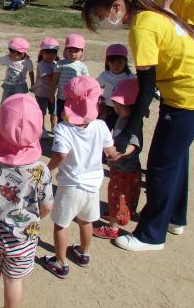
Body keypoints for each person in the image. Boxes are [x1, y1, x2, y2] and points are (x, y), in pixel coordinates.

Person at [82, 0, 194, 251]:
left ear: (116, 7)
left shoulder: (141, 28)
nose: (101, 20)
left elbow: (146, 87)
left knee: (159, 166)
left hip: (188, 98)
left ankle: (151, 235)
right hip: (191, 94)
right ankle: (174, 218)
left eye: (100, 14)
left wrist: (128, 134)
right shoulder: (150, 15)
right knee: (175, 160)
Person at [0, 94, 53, 308]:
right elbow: (47, 206)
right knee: (14, 280)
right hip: (24, 236)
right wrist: (36, 217)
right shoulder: (41, 170)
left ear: (0, 129)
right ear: (38, 131)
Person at [42, 76, 115, 279]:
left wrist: (47, 169)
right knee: (86, 221)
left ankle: (60, 262)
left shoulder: (63, 128)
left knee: (61, 224)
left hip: (70, 185)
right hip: (93, 185)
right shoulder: (101, 125)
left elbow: (61, 155)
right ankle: (84, 254)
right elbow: (110, 152)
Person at [93, 78, 143, 239]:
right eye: (115, 104)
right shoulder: (123, 117)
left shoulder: (132, 122)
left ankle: (112, 228)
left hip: (124, 168)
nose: (117, 107)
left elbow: (134, 144)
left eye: (121, 105)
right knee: (126, 195)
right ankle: (124, 214)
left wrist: (120, 153)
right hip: (124, 168)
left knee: (117, 196)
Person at [0, 37, 35, 119]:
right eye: (9, 50)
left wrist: (32, 83)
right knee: (4, 104)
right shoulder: (8, 58)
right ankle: (1, 120)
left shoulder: (27, 62)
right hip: (8, 86)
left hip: (20, 88)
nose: (9, 53)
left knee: (18, 105)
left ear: (21, 53)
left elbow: (31, 72)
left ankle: (16, 120)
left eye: (12, 52)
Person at [52, 34, 89, 125]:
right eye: (70, 50)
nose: (73, 54)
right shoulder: (60, 63)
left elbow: (86, 83)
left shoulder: (82, 67)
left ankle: (70, 131)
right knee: (61, 117)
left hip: (75, 99)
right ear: (65, 50)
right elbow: (55, 79)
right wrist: (52, 93)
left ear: (82, 51)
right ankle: (61, 131)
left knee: (72, 118)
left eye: (76, 51)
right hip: (62, 97)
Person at [96, 44, 135, 131]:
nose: (116, 65)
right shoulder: (105, 75)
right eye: (112, 62)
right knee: (103, 131)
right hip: (107, 108)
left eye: (120, 62)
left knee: (119, 133)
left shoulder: (129, 77)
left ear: (125, 62)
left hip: (122, 110)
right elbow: (95, 86)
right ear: (107, 62)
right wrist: (101, 98)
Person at [32, 37, 59, 139]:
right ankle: (41, 128)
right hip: (41, 93)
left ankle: (54, 127)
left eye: (54, 52)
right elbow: (48, 78)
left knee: (54, 112)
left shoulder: (55, 64)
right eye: (48, 52)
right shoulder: (42, 65)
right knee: (41, 112)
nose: (51, 55)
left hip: (52, 93)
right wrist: (59, 77)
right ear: (42, 53)